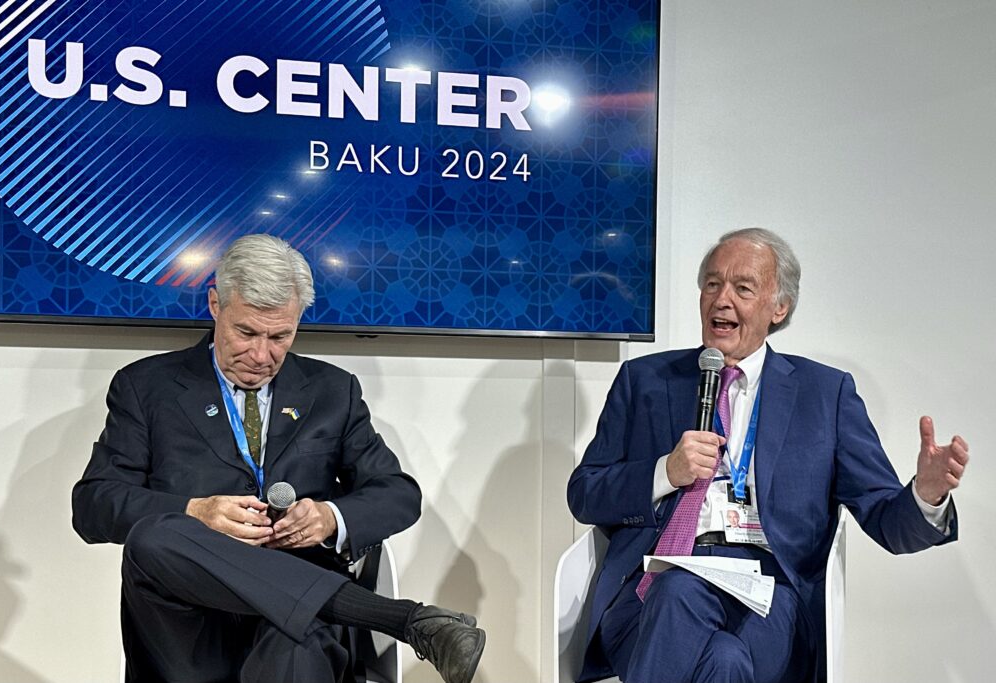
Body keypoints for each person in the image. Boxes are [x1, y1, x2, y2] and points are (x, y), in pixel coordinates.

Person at [72, 234, 486, 683]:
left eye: (280, 336)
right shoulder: (145, 386)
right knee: (155, 534)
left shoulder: (333, 391)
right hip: (186, 626)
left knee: (297, 643)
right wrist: (196, 512)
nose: (261, 354)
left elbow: (398, 494)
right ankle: (405, 620)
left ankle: (376, 617)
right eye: (246, 332)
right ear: (216, 305)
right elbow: (94, 505)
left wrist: (331, 516)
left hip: (297, 620)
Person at [567, 228, 968, 683]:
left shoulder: (825, 395)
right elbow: (584, 494)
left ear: (780, 308)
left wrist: (926, 496)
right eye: (713, 284)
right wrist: (665, 471)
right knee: (716, 650)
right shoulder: (644, 380)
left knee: (695, 612)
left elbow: (884, 520)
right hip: (650, 594)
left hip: (769, 597)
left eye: (743, 288)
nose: (722, 300)